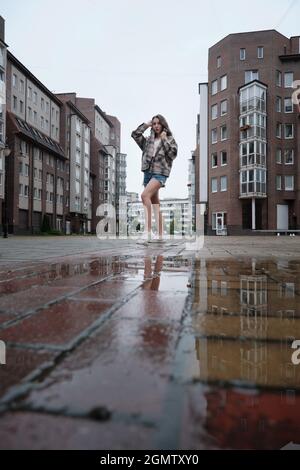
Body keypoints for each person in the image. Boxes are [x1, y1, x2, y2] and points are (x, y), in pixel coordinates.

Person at [131, 115, 178, 243]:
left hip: (160, 173)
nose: (156, 125)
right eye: (154, 123)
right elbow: (135, 135)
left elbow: (173, 154)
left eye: (158, 123)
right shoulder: (148, 141)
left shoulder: (169, 139)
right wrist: (146, 125)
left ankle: (147, 231)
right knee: (155, 204)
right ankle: (161, 234)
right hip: (148, 173)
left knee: (144, 195)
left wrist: (164, 140)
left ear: (163, 124)